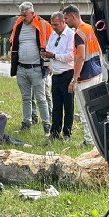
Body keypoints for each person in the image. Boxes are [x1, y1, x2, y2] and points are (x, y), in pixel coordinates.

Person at [9, 1, 53, 134]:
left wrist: (47, 65)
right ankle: (26, 123)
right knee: (26, 98)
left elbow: (50, 46)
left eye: (25, 15)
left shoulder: (43, 25)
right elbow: (14, 45)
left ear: (33, 14)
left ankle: (47, 126)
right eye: (21, 15)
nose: (23, 18)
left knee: (41, 98)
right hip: (22, 68)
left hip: (36, 69)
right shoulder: (18, 25)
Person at [64, 4, 103, 146]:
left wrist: (74, 79)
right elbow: (99, 50)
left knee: (85, 110)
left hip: (85, 76)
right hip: (96, 72)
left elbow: (80, 57)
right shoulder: (89, 28)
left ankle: (89, 141)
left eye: (66, 18)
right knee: (96, 107)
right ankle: (98, 138)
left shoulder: (79, 33)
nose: (66, 22)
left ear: (73, 16)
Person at [40, 11, 75, 140]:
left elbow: (71, 56)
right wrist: (47, 59)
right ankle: (55, 132)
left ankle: (67, 133)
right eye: (52, 24)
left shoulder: (71, 35)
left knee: (68, 106)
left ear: (63, 22)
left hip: (67, 73)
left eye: (56, 24)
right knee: (56, 105)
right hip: (56, 74)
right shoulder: (53, 35)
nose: (54, 27)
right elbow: (49, 49)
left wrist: (54, 56)